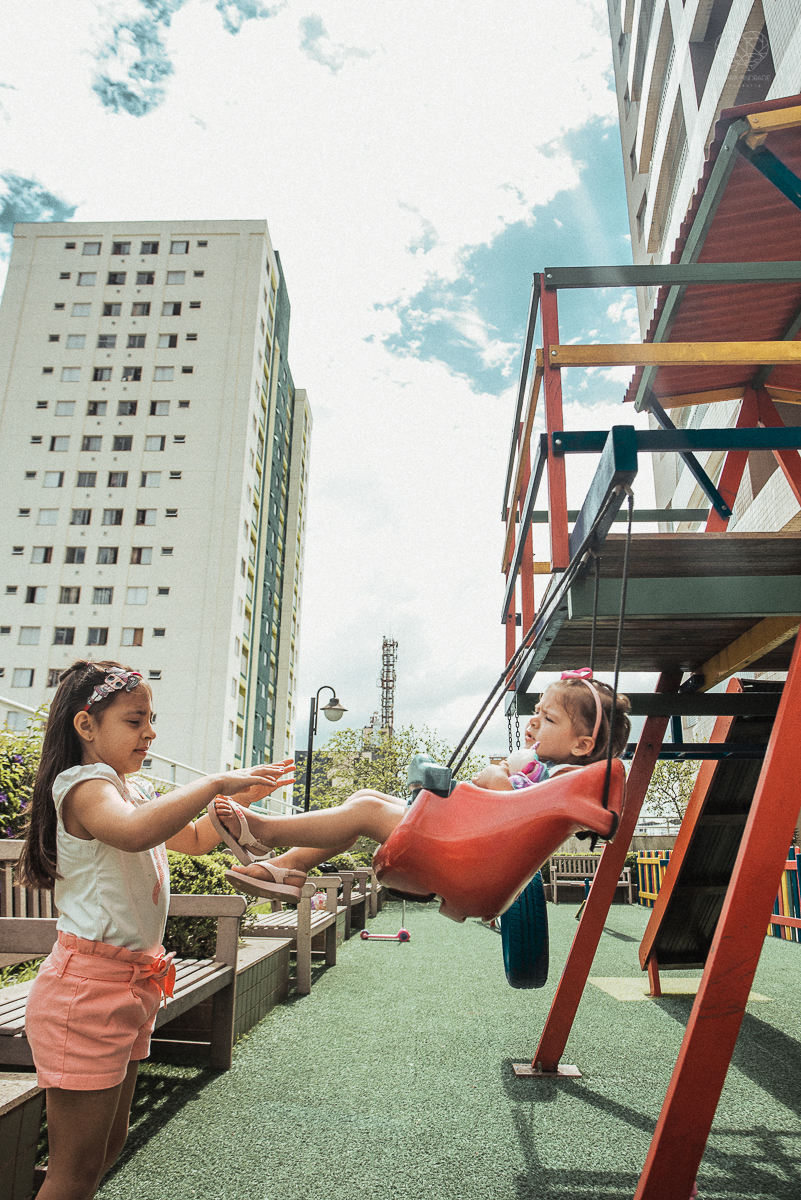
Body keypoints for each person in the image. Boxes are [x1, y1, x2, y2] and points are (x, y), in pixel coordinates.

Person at [18, 659, 294, 1200]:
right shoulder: (85, 786)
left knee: (106, 1149)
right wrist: (212, 782)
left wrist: (234, 803)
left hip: (129, 983)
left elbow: (192, 840)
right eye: (134, 720)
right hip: (86, 993)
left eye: (151, 719)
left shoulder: (128, 789)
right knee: (72, 1172)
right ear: (86, 725)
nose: (149, 732)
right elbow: (132, 833)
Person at [213, 670, 631, 898]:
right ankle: (288, 867)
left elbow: (508, 806)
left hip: (469, 850)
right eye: (536, 711)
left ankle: (265, 832)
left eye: (549, 719)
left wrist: (499, 772)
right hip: (465, 836)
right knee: (364, 797)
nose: (534, 722)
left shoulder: (563, 778)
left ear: (582, 745)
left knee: (366, 811)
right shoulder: (548, 771)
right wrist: (513, 767)